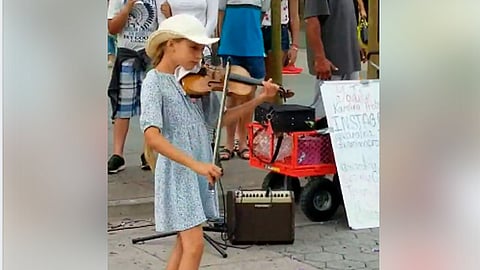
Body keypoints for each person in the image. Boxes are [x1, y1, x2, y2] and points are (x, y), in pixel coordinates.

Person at [140, 14, 280, 270]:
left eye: (202, 49)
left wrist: (259, 99)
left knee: (184, 245)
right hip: (179, 173)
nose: (199, 55)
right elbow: (152, 136)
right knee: (195, 245)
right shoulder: (154, 83)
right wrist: (196, 165)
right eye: (193, 47)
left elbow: (221, 119)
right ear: (171, 44)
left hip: (198, 169)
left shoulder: (196, 83)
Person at [107, 0, 159, 173]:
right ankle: (118, 154)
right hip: (127, 55)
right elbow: (112, 28)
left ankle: (148, 152)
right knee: (123, 107)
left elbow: (162, 25)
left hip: (150, 56)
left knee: (150, 106)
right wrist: (128, 6)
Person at [217, 0, 271, 161]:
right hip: (230, 44)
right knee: (231, 96)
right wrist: (222, 39)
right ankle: (228, 143)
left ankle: (243, 142)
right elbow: (221, 12)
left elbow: (262, 13)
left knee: (249, 96)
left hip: (253, 46)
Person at [304, 0, 366, 119]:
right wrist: (320, 58)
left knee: (350, 113)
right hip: (331, 65)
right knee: (325, 115)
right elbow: (312, 22)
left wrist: (354, 43)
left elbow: (344, 15)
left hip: (349, 61)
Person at [262, 0, 302, 76]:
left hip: (280, 29)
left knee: (274, 76)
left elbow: (294, 15)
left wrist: (295, 46)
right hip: (257, 27)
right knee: (253, 76)